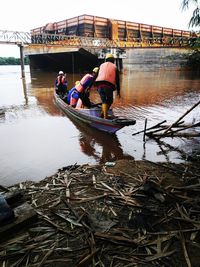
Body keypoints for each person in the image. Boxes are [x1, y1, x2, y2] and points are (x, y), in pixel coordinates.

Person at [94, 53, 120, 119]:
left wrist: (89, 87)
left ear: (106, 60)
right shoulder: (115, 67)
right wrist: (118, 92)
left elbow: (95, 77)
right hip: (108, 86)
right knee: (110, 100)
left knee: (103, 100)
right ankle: (105, 116)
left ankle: (103, 114)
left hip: (99, 85)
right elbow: (117, 81)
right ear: (113, 60)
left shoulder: (101, 65)